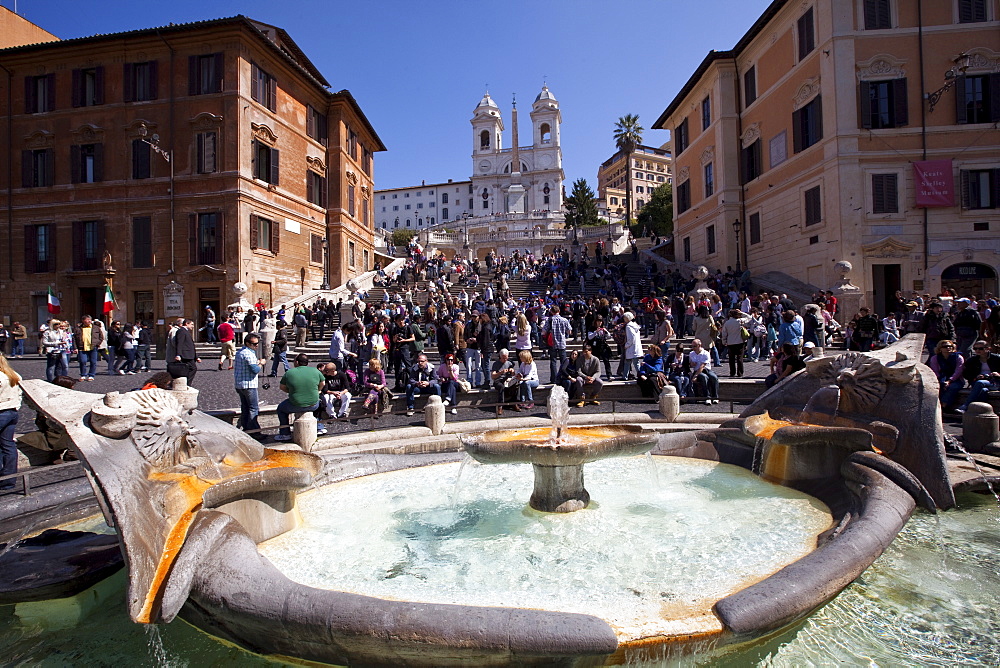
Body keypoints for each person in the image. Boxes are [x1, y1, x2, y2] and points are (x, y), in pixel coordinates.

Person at [274, 353, 326, 441]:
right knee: (318, 402)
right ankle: (319, 427)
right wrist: (318, 391)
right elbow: (323, 383)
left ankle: (285, 433)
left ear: (297, 362)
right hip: (313, 404)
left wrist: (291, 391)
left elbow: (282, 387)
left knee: (281, 409)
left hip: (296, 404)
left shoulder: (289, 373)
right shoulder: (315, 371)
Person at [956, 341, 1000, 414]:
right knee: (983, 390)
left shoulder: (997, 358)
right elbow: (966, 373)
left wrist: (998, 374)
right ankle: (983, 412)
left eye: (980, 348)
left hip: (995, 382)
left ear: (988, 348)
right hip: (978, 382)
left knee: (980, 383)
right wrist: (976, 376)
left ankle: (966, 406)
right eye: (975, 348)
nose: (977, 351)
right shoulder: (972, 360)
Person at [0, 352, 23, 490]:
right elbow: (20, 392)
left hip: (1, 411)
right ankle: (8, 480)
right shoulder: (12, 374)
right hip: (12, 411)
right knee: (7, 445)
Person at [234, 333, 263, 437]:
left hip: (239, 384)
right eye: (254, 344)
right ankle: (254, 431)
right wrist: (261, 363)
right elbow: (255, 370)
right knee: (253, 408)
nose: (257, 346)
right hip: (249, 385)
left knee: (245, 407)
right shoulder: (248, 354)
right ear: (247, 343)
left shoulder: (239, 352)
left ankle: (246, 428)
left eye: (257, 343)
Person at [928, 340, 965, 413]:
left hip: (956, 379)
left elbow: (958, 371)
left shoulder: (958, 358)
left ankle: (943, 406)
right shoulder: (935, 358)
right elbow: (935, 371)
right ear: (940, 348)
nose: (948, 348)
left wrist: (950, 380)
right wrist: (941, 380)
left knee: (952, 387)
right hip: (940, 378)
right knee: (939, 386)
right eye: (945, 347)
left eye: (950, 346)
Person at [543, 305, 571, 384]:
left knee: (553, 361)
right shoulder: (564, 320)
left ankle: (554, 379)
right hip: (562, 343)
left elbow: (544, 331)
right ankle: (564, 376)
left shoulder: (550, 320)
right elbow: (569, 331)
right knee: (564, 362)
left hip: (552, 343)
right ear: (559, 311)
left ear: (552, 312)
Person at [719, 309, 751, 378]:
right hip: (740, 341)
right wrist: (741, 312)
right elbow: (749, 317)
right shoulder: (740, 321)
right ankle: (740, 373)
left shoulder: (727, 323)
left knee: (731, 358)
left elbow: (724, 333)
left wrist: (724, 341)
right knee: (740, 358)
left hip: (730, 342)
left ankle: (732, 372)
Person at [73, 315, 103, 381]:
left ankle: (91, 375)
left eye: (90, 319)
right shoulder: (78, 328)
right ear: (83, 321)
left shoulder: (96, 328)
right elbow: (74, 338)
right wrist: (75, 347)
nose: (89, 321)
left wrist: (97, 344)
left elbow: (101, 337)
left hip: (93, 347)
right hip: (82, 347)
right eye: (87, 319)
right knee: (82, 361)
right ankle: (83, 375)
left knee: (93, 362)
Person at [689, 338, 719, 404]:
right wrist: (691, 364)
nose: (693, 348)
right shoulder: (691, 354)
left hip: (706, 369)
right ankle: (707, 397)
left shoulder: (706, 353)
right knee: (704, 377)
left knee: (714, 377)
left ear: (699, 345)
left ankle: (715, 396)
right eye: (692, 346)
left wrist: (695, 376)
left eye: (694, 346)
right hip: (697, 371)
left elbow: (702, 366)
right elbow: (690, 364)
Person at [170, 319, 201, 384]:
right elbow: (179, 343)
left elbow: (191, 345)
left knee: (189, 369)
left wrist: (196, 357)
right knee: (193, 368)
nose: (193, 326)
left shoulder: (185, 331)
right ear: (186, 324)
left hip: (189, 354)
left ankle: (185, 383)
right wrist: (178, 354)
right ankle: (186, 384)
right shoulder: (181, 331)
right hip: (185, 354)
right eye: (192, 324)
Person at [491, 348, 518, 415]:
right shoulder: (496, 364)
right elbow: (493, 376)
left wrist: (512, 372)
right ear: (500, 356)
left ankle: (514, 403)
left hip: (507, 380)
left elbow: (513, 374)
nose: (505, 360)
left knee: (515, 384)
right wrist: (500, 372)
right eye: (503, 358)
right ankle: (500, 406)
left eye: (506, 358)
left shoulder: (509, 363)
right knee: (501, 386)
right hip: (498, 380)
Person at [622, 312, 643, 381]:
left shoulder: (628, 326)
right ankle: (639, 374)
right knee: (635, 362)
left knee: (629, 362)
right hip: (635, 346)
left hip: (631, 347)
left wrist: (626, 345)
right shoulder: (635, 325)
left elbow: (631, 338)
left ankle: (626, 376)